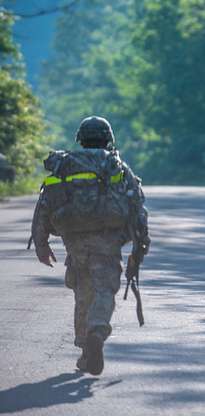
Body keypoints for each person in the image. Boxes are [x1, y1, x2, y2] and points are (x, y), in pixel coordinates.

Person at [30, 116, 149, 375]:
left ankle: (86, 350)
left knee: (83, 290)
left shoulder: (65, 164)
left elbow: (44, 204)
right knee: (104, 289)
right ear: (108, 139)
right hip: (107, 239)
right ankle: (96, 330)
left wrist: (40, 244)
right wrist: (140, 247)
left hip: (74, 240)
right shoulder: (114, 165)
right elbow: (137, 206)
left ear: (81, 140)